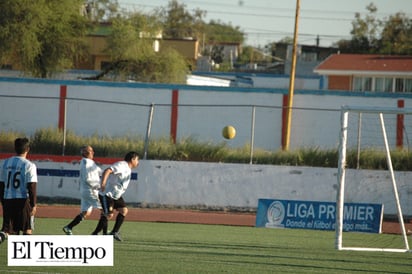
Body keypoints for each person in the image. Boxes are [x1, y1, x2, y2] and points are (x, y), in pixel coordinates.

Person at [91, 151, 139, 241]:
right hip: (107, 194)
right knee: (108, 215)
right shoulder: (122, 165)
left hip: (116, 196)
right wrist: (103, 183)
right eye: (137, 159)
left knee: (124, 210)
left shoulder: (128, 168)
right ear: (132, 159)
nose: (138, 162)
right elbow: (108, 170)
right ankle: (95, 234)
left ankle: (114, 232)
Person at [0, 137, 37, 244]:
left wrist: (3, 201)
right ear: (28, 149)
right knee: (27, 229)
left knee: (8, 230)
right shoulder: (29, 165)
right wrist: (33, 204)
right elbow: (32, 186)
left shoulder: (5, 163)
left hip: (8, 200)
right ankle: (24, 257)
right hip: (22, 201)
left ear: (15, 148)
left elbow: (1, 184)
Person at [62, 145, 102, 235]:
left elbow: (101, 171)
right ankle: (100, 232)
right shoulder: (86, 163)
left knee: (85, 213)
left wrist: (111, 173)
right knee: (106, 211)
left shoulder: (91, 162)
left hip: (86, 191)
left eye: (92, 150)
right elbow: (87, 179)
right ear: (84, 153)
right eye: (90, 151)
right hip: (90, 191)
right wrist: (99, 185)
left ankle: (69, 227)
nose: (93, 152)